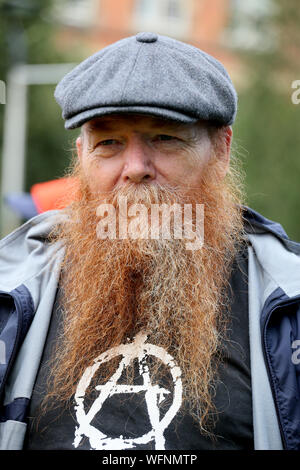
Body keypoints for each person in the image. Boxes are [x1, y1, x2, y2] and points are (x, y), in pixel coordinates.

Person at [0, 32, 300, 451]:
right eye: (109, 142)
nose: (136, 168)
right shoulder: (10, 296)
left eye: (165, 138)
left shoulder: (291, 306)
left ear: (221, 150)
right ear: (81, 157)